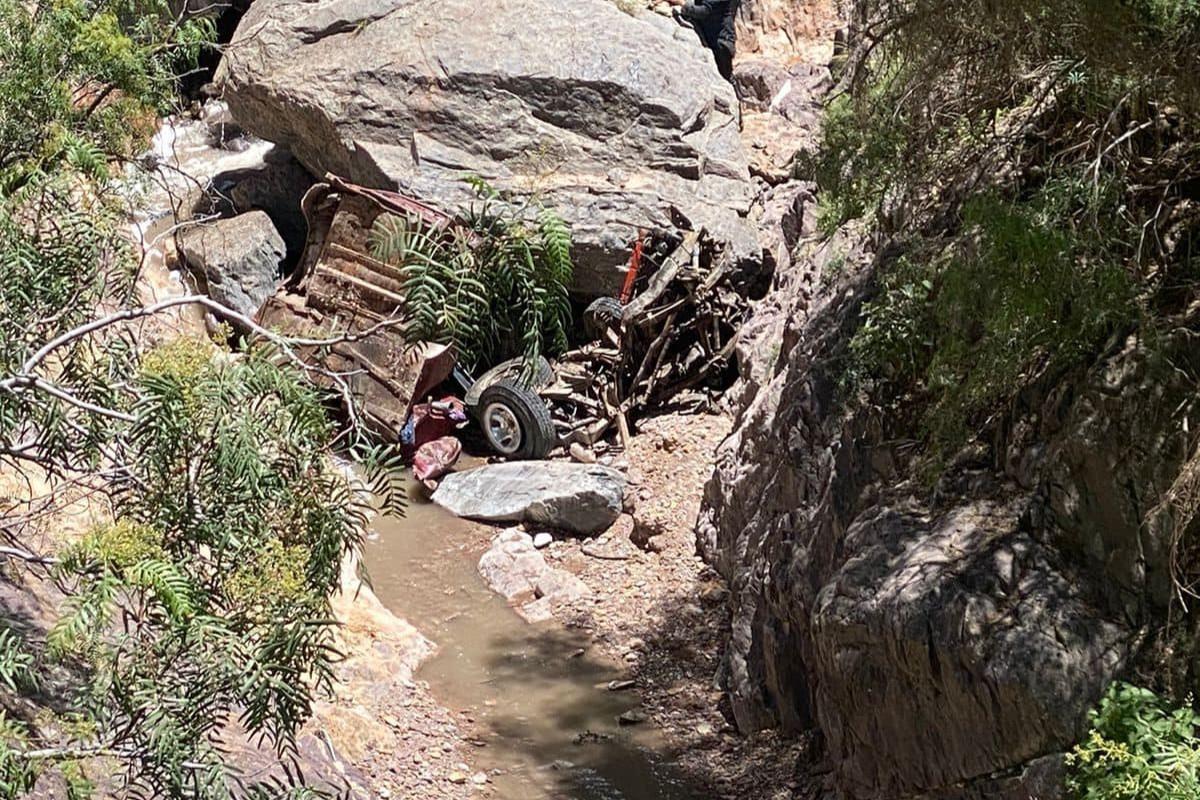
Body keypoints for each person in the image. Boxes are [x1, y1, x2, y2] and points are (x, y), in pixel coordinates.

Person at [674, 0, 740, 81]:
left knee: (724, 78)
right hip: (710, 36)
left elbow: (704, 11)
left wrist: (681, 4)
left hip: (721, 43)